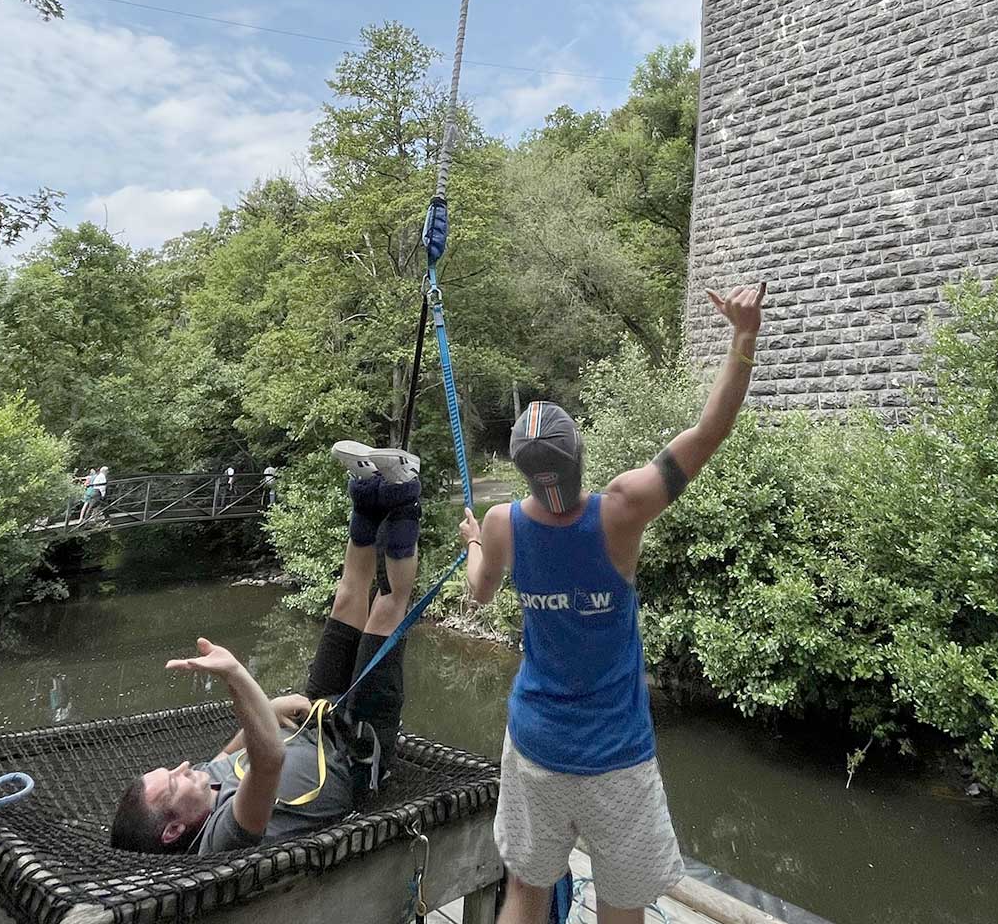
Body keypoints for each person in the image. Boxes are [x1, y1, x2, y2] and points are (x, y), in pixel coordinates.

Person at [460, 283, 766, 924]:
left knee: (525, 894)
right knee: (622, 906)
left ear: (523, 471)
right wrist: (742, 337)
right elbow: (708, 435)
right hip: (616, 756)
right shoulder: (622, 510)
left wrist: (473, 545)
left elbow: (478, 590)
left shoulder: (502, 524)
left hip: (535, 744)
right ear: (579, 457)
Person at [110, 441, 422, 855]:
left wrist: (268, 711)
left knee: (347, 599)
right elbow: (269, 761)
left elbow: (229, 754)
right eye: (174, 780)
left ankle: (366, 497)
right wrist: (237, 675)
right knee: (386, 609)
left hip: (312, 717)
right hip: (356, 753)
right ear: (173, 831)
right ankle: (404, 494)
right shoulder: (222, 836)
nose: (184, 767)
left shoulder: (201, 786)